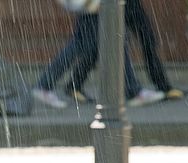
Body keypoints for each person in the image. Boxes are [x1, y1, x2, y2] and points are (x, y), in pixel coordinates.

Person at [32, 5, 164, 110]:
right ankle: (134, 91)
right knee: (111, 38)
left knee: (101, 41)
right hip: (98, 4)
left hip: (96, 5)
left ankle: (46, 85)